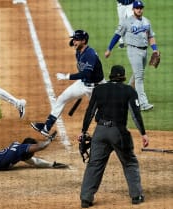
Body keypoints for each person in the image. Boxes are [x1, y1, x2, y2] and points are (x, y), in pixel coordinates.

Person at [79, 65, 149, 208]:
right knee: (129, 162)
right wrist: (143, 133)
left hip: (100, 132)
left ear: (110, 76)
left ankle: (86, 199)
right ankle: (136, 196)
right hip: (118, 133)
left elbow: (90, 111)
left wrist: (83, 131)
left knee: (94, 164)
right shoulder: (129, 90)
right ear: (123, 77)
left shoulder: (99, 89)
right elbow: (135, 115)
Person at [31, 30, 105, 137]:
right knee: (62, 98)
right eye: (73, 39)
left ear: (84, 41)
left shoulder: (90, 54)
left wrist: (67, 76)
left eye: (76, 39)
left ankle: (108, 133)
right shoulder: (78, 51)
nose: (74, 42)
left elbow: (87, 74)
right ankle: (46, 127)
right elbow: (84, 74)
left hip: (97, 88)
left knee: (100, 114)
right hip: (84, 84)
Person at [105, 0, 159, 111]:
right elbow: (117, 35)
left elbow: (151, 36)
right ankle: (143, 104)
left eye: (141, 8)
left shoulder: (146, 21)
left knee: (136, 75)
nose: (139, 10)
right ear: (133, 9)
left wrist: (155, 50)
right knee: (139, 77)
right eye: (137, 8)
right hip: (133, 51)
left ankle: (123, 95)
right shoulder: (126, 22)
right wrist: (109, 49)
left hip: (144, 51)